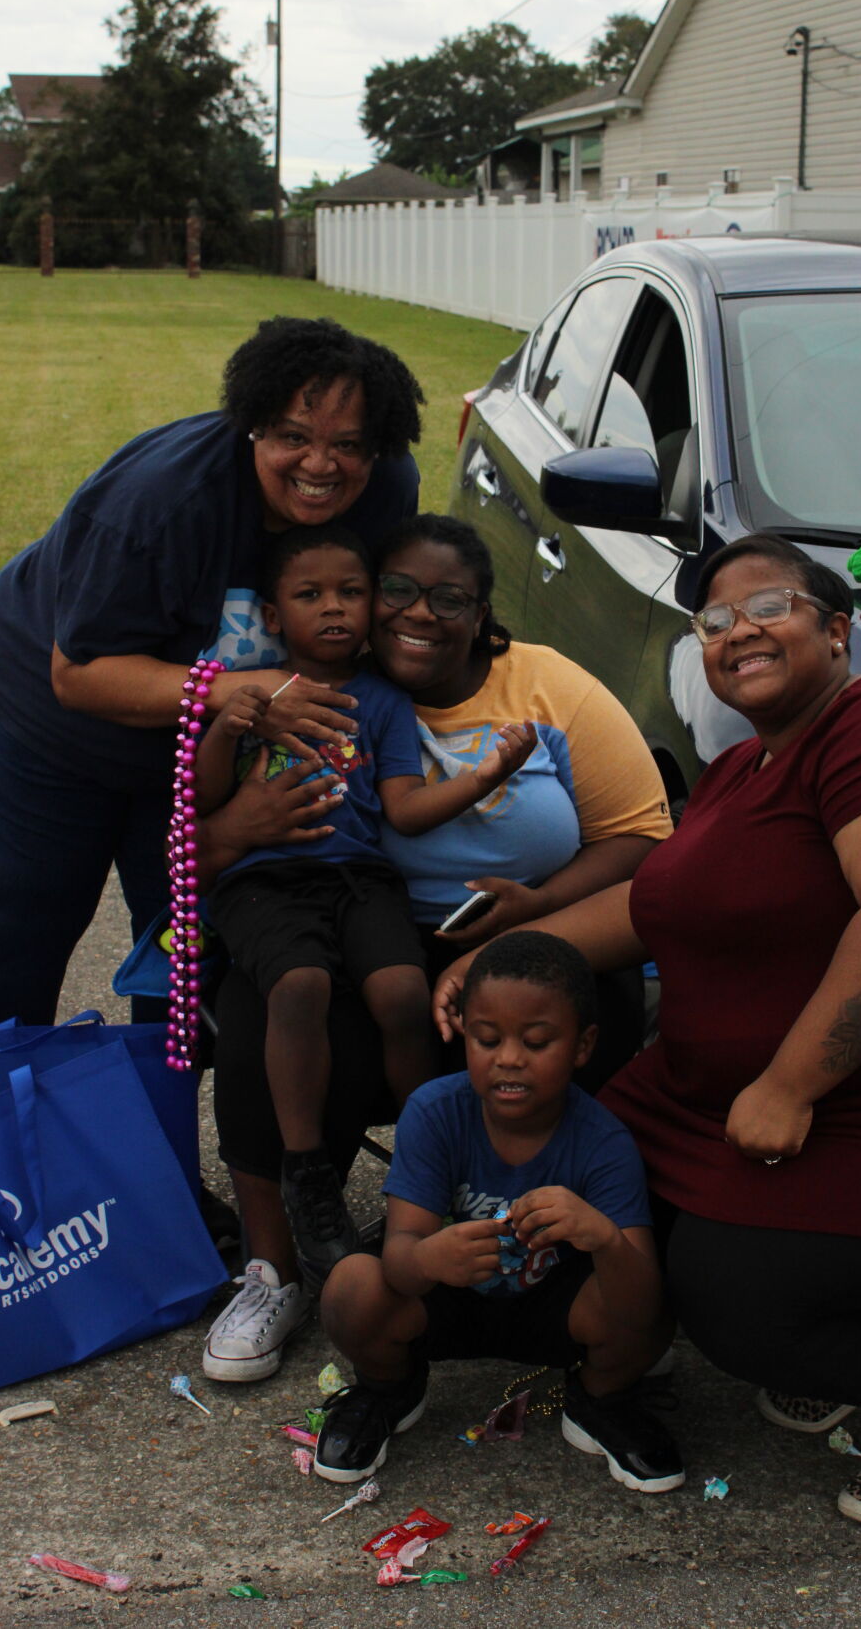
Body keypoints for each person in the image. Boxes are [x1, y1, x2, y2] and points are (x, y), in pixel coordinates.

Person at [434, 532, 861, 1528]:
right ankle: (836, 1330)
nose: (736, 630)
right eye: (714, 621)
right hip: (764, 1098)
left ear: (835, 629)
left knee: (728, 1288)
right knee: (595, 1176)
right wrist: (508, 955)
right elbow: (654, 907)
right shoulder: (740, 772)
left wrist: (785, 1086)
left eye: (766, 604)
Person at [200, 514, 673, 1383]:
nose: (419, 614)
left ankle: (548, 1236)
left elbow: (643, 835)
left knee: (574, 1002)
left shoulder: (547, 686)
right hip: (362, 919)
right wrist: (236, 812)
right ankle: (280, 1268)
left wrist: (537, 908)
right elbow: (205, 838)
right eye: (398, 592)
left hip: (525, 929)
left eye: (448, 598)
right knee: (262, 997)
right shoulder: (326, 686)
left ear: (483, 612)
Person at [0, 316, 423, 1037]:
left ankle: (152, 1118)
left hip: (208, 743)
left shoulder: (386, 488)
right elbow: (78, 673)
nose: (320, 464)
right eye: (293, 436)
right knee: (35, 915)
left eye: (347, 445)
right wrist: (233, 689)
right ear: (252, 426)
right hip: (56, 723)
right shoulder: (160, 501)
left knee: (183, 939)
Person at [195, 523, 535, 1285]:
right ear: (274, 615)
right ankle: (308, 1171)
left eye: (351, 591)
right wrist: (227, 725)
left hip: (357, 875)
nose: (336, 609)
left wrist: (485, 775)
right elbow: (205, 801)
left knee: (402, 991)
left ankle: (427, 1162)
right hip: (265, 882)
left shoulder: (382, 697)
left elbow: (404, 809)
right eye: (310, 595)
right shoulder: (253, 693)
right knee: (300, 985)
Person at [313, 930, 684, 1493]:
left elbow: (641, 1305)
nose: (509, 1059)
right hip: (450, 1301)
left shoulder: (603, 1139)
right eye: (487, 1039)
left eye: (536, 1042)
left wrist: (603, 1238)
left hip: (558, 1310)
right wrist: (430, 1256)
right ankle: (389, 1389)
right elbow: (398, 1262)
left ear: (582, 1047)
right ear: (464, 1034)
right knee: (351, 1284)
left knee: (654, 1299)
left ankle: (599, 1399)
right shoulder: (435, 1112)